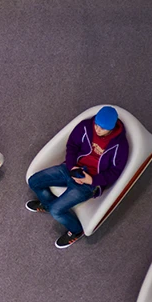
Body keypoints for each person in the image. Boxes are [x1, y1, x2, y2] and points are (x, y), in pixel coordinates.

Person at [26, 106, 129, 249]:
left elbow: (115, 173)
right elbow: (72, 145)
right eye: (96, 125)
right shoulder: (86, 126)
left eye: (102, 128)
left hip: (90, 182)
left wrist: (92, 180)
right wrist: (71, 166)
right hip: (73, 168)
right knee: (34, 181)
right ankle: (48, 204)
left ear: (111, 128)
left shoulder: (121, 146)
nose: (97, 130)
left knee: (57, 211)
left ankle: (76, 231)